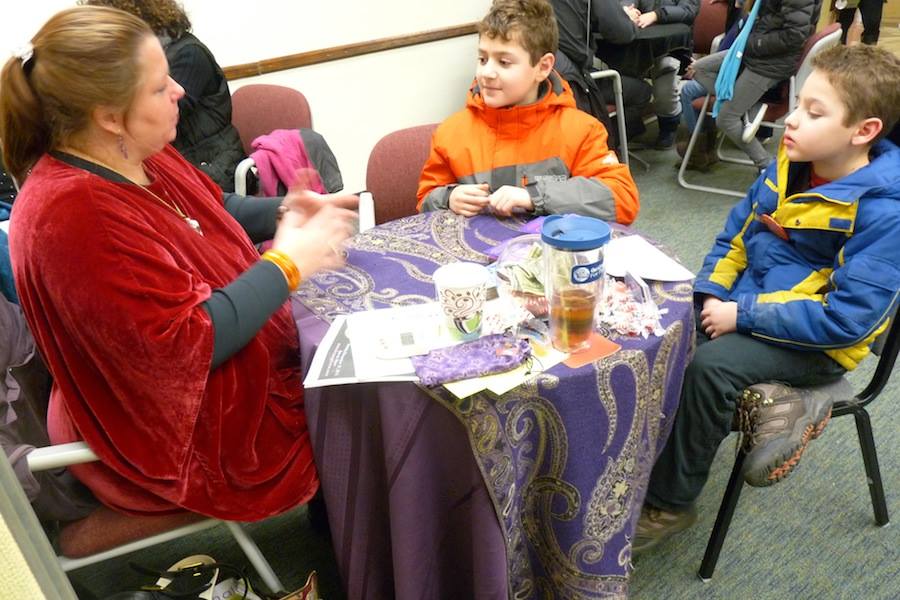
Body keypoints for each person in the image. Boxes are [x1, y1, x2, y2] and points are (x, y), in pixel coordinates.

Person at [0, 6, 358, 520]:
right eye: (159, 85)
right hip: (176, 436)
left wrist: (286, 209)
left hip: (207, 382)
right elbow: (188, 343)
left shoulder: (129, 149)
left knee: (353, 364)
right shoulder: (73, 214)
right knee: (362, 405)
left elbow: (209, 208)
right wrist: (287, 264)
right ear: (108, 114)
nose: (180, 91)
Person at [633, 44, 900, 553]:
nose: (792, 121)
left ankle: (671, 502)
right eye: (798, 105)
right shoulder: (789, 162)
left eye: (814, 114)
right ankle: (765, 408)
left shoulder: (883, 213)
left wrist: (743, 315)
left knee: (708, 369)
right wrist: (709, 292)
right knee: (661, 327)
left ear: (863, 132)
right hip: (753, 305)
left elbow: (847, 323)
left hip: (821, 343)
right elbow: (735, 236)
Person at [417, 0, 640, 225]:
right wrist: (448, 197)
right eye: (483, 59)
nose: (487, 73)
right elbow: (425, 200)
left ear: (543, 67)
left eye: (504, 62)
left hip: (549, 256)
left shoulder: (580, 131)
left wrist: (535, 197)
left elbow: (622, 198)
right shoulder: (451, 133)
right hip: (476, 255)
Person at [82, 0, 246, 192]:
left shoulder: (188, 53)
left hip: (211, 164)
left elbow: (157, 116)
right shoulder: (145, 59)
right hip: (180, 161)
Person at [684, 0, 821, 172]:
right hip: (754, 52)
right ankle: (749, 106)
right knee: (697, 68)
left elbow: (794, 36)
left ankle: (767, 166)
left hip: (768, 62)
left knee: (726, 118)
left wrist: (750, 44)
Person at [550, 0, 652, 149]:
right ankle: (602, 147)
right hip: (575, 82)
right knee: (642, 92)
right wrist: (627, 19)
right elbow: (621, 32)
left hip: (539, 81)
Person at [625, 0, 699, 148]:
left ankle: (669, 123)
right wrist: (625, 9)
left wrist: (656, 15)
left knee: (665, 69)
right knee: (620, 73)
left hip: (672, 46)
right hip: (637, 43)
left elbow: (688, 11)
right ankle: (628, 124)